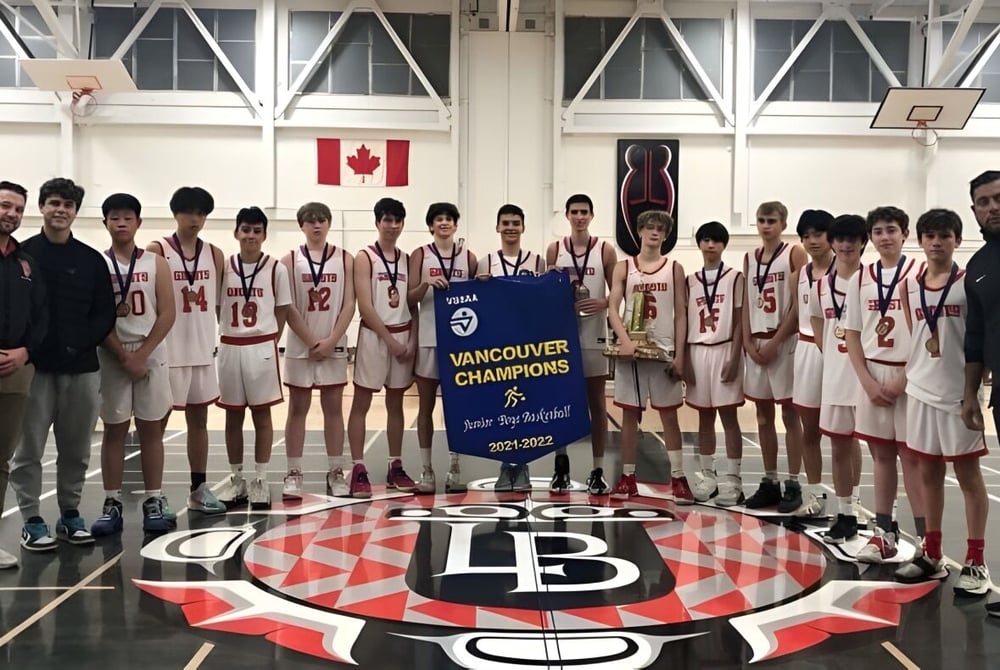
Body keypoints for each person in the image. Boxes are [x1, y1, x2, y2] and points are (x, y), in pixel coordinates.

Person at [11, 178, 116, 550]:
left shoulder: (90, 260)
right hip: (35, 370)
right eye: (54, 202)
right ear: (42, 206)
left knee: (76, 449)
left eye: (68, 205)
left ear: (75, 211)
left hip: (83, 369)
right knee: (28, 451)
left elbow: (105, 313)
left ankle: (70, 515)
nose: (61, 210)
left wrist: (79, 344)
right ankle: (32, 520)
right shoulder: (20, 256)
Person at [893, 208, 990, 595]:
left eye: (945, 236)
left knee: (968, 477)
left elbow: (977, 340)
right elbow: (915, 336)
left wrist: (973, 390)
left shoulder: (969, 285)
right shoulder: (908, 286)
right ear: (920, 240)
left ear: (957, 240)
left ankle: (976, 560)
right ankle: (931, 553)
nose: (937, 243)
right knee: (928, 475)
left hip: (957, 394)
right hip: (919, 391)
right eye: (930, 236)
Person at [845, 205, 926, 563]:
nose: (885, 237)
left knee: (912, 459)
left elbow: (928, 331)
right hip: (873, 375)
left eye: (891, 230)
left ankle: (927, 539)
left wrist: (902, 379)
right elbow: (851, 333)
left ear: (905, 234)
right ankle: (884, 532)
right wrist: (866, 380)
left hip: (912, 375)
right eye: (878, 231)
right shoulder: (859, 279)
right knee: (880, 456)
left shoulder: (920, 273)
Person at [92, 194, 176, 536]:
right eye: (115, 218)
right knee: (114, 430)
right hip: (112, 355)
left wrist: (142, 355)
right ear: (106, 223)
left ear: (139, 222)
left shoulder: (156, 262)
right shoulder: (98, 263)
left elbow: (169, 312)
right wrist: (123, 355)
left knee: (151, 430)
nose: (122, 223)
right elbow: (95, 316)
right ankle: (112, 502)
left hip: (150, 354)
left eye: (128, 217)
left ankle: (153, 499)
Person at [215, 207, 305, 510]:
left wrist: (270, 338)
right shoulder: (223, 267)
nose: (250, 235)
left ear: (264, 234)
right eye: (245, 229)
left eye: (256, 230)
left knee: (262, 415)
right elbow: (218, 307)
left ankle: (261, 479)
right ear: (236, 233)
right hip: (230, 344)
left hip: (261, 345)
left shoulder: (276, 268)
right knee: (232, 416)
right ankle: (236, 479)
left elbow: (282, 309)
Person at [147, 186, 227, 515]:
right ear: (175, 213)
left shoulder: (215, 254)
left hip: (201, 349)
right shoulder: (157, 249)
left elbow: (219, 305)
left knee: (200, 420)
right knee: (158, 423)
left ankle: (198, 489)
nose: (195, 219)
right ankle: (155, 493)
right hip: (168, 351)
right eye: (189, 212)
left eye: (201, 213)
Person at [606, 211, 687, 500]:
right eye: (649, 227)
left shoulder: (674, 267)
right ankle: (628, 476)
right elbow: (613, 308)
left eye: (660, 229)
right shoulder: (623, 267)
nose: (654, 232)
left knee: (669, 416)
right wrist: (624, 341)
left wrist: (680, 354)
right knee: (629, 415)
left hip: (663, 351)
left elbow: (680, 314)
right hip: (633, 353)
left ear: (666, 235)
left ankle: (678, 477)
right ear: (639, 231)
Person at [280, 202, 357, 499]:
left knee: (334, 409)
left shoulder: (345, 258)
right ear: (301, 225)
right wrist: (312, 341)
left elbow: (350, 304)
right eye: (311, 220)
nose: (317, 225)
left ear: (329, 223)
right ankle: (294, 471)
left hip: (333, 344)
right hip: (301, 346)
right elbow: (287, 306)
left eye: (322, 219)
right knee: (297, 409)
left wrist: (332, 340)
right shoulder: (288, 260)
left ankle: (336, 469)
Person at [345, 198, 418, 498]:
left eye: (397, 220)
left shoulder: (408, 258)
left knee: (396, 403)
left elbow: (411, 303)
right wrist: (389, 339)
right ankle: (358, 467)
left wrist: (410, 338)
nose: (392, 225)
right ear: (377, 222)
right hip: (375, 337)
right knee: (361, 402)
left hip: (402, 335)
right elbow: (365, 304)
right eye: (387, 219)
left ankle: (395, 465)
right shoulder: (365, 257)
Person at [546, 194, 617, 495]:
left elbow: (618, 293)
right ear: (567, 215)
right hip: (562, 338)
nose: (579, 217)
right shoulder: (554, 249)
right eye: (574, 212)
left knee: (597, 405)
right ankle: (561, 466)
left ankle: (597, 469)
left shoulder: (605, 249)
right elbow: (546, 292)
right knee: (559, 403)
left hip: (594, 337)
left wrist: (602, 301)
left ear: (591, 215)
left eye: (584, 212)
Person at [476, 204, 546, 492]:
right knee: (502, 409)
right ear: (497, 227)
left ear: (523, 227)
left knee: (526, 408)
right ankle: (506, 465)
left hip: (527, 347)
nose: (510, 227)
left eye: (516, 222)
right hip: (497, 347)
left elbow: (545, 301)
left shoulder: (538, 261)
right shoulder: (485, 262)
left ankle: (524, 465)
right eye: (505, 222)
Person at [741, 201, 807, 509]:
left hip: (783, 342)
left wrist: (776, 341)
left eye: (771, 220)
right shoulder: (749, 257)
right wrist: (746, 342)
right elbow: (746, 302)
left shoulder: (794, 253)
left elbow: (799, 303)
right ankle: (770, 480)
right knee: (763, 416)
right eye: (761, 220)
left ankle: (794, 482)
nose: (765, 225)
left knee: (790, 415)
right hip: (756, 343)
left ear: (783, 224)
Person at [407, 202, 476, 494]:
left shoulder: (469, 257)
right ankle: (426, 469)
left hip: (460, 342)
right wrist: (425, 284)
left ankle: (454, 466)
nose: (444, 223)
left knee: (456, 409)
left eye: (449, 219)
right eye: (439, 219)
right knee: (425, 406)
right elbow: (409, 299)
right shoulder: (420, 255)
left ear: (456, 224)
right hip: (429, 339)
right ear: (431, 225)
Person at [811, 215, 865, 545]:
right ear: (833, 243)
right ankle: (844, 512)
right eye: (840, 239)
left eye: (852, 239)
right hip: (834, 375)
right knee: (839, 445)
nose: (845, 245)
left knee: (880, 450)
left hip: (866, 376)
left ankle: (865, 510)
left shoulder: (873, 281)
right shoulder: (821, 285)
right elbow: (817, 321)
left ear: (862, 243)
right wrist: (830, 352)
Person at [0, 181, 46, 566]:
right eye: (4, 206)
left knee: (2, 457)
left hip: (15, 369)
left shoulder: (25, 262)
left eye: (17, 209)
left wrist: (25, 351)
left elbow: (40, 316)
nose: (11, 214)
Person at [684, 221, 745, 506]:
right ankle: (708, 475)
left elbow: (739, 319)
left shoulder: (735, 277)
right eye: (706, 240)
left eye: (716, 241)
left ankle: (733, 479)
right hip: (698, 350)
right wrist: (684, 358)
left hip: (724, 349)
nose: (711, 245)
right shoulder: (691, 280)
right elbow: (684, 321)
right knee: (704, 417)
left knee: (728, 417)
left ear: (724, 245)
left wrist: (735, 357)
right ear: (699, 244)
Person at [962, 171, 1000, 616]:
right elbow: (974, 337)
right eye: (983, 202)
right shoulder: (979, 266)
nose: (992, 207)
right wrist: (970, 394)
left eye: (998, 198)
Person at [790, 210, 834, 516]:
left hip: (840, 353)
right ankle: (815, 494)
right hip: (806, 350)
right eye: (806, 236)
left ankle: (851, 502)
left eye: (818, 234)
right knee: (810, 431)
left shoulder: (850, 273)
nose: (812, 241)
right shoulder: (799, 276)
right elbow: (795, 317)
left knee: (845, 435)